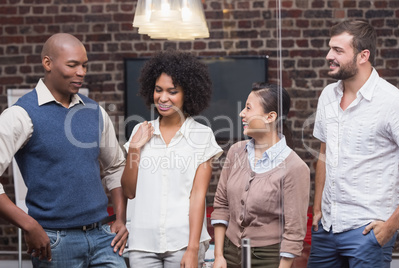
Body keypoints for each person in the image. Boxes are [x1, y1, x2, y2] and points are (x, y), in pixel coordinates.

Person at [0, 33, 128, 267]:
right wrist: (29, 225)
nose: (81, 72)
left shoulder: (94, 111)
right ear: (47, 63)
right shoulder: (20, 115)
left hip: (103, 238)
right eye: (73, 65)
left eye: (84, 65)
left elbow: (115, 166)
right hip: (54, 242)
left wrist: (120, 218)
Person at [307, 19, 399, 268]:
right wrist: (317, 209)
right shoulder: (328, 95)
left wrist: (391, 226)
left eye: (338, 50)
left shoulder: (393, 102)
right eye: (330, 48)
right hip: (326, 228)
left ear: (363, 55)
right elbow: (324, 154)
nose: (329, 55)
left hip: (368, 232)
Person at [121, 49, 223, 268]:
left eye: (172, 91)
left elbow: (198, 197)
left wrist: (193, 248)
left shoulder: (201, 136)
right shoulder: (140, 131)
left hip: (183, 242)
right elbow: (129, 191)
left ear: (188, 93)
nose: (163, 98)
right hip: (142, 244)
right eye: (158, 90)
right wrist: (135, 149)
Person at [211, 83, 310, 268]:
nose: (242, 113)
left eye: (248, 108)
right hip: (229, 252)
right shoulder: (236, 152)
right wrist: (219, 256)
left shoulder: (295, 167)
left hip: (268, 258)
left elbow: (294, 230)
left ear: (270, 116)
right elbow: (221, 204)